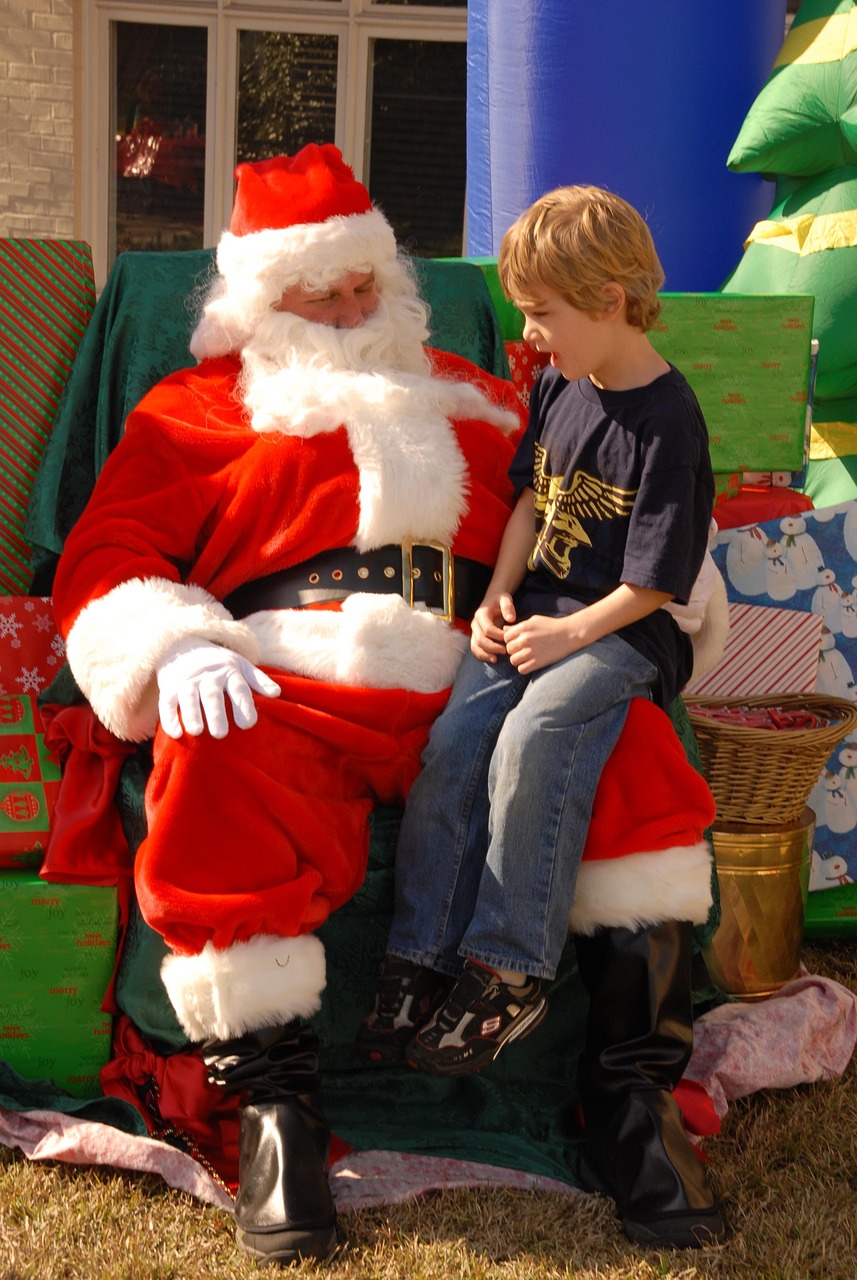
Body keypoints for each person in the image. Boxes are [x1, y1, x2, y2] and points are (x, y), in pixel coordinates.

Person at [50, 144, 528, 1266]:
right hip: (293, 677)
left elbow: (585, 513)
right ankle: (276, 1113)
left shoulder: (485, 398)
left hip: (482, 669)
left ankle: (634, 1092)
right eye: (324, 294)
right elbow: (108, 552)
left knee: (624, 743)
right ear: (260, 302)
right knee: (216, 751)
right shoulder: (193, 409)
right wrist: (171, 644)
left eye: (365, 284)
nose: (353, 310)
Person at [357, 185, 728, 1249]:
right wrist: (496, 599)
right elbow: (530, 499)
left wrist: (568, 638)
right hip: (543, 611)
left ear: (609, 300)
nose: (529, 335)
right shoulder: (562, 383)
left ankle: (507, 967)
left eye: (542, 313)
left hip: (621, 631)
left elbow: (656, 583)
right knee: (457, 736)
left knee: (535, 735)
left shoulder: (667, 420)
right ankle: (421, 954)